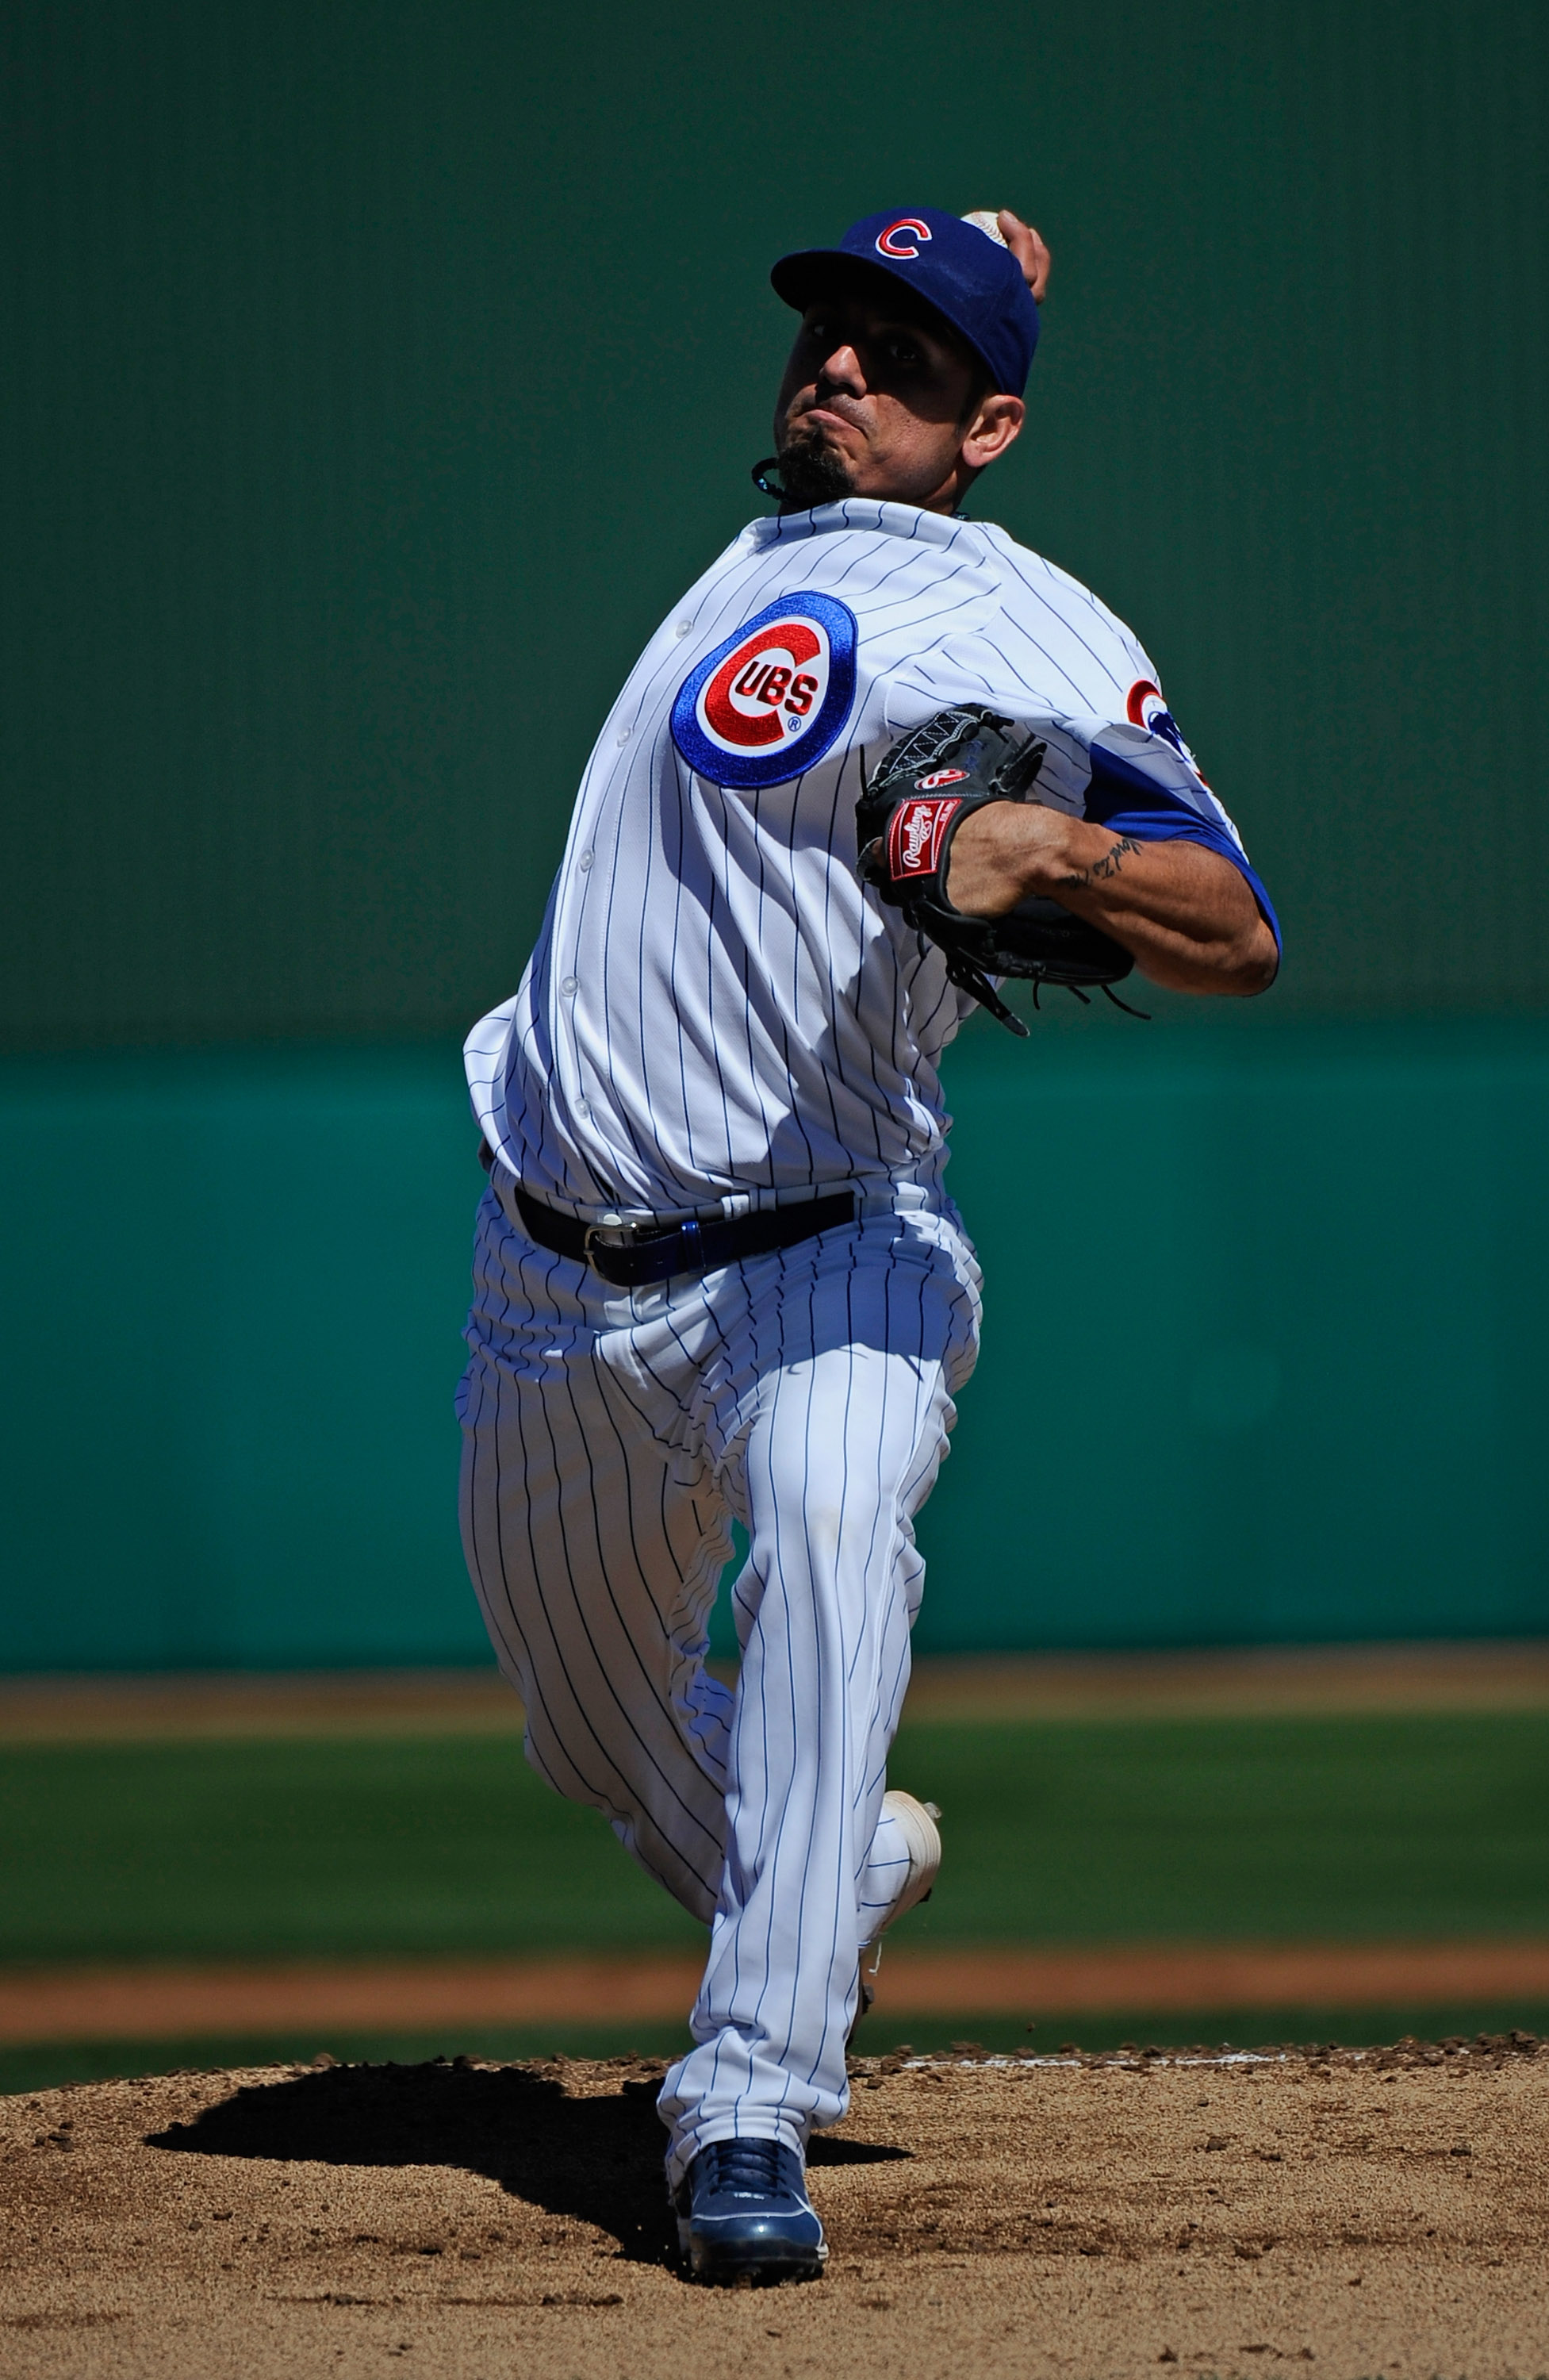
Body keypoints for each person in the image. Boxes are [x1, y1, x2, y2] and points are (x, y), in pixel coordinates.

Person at [456, 204, 1279, 2285]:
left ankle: (748, 2099)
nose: (836, 369)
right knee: (588, 1721)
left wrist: (1062, 839)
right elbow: (973, 272)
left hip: (822, 1249)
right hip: (548, 1279)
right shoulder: (767, 553)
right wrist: (985, 253)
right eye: (828, 334)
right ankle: (842, 1860)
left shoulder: (1015, 622)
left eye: (900, 360)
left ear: (985, 425)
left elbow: (1232, 929)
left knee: (831, 1546)